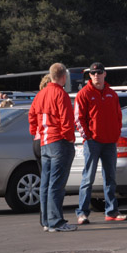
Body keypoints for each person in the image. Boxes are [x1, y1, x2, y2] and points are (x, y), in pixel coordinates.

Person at [74, 62, 127, 224]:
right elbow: (78, 118)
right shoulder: (83, 94)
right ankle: (82, 213)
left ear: (105, 74)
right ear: (89, 75)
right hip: (93, 142)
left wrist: (116, 134)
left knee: (110, 178)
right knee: (87, 178)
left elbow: (119, 116)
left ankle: (111, 211)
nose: (96, 75)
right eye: (93, 73)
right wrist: (88, 136)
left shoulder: (112, 93)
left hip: (110, 142)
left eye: (99, 72)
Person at [28, 63, 76, 232]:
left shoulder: (41, 94)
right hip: (58, 142)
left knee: (46, 183)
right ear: (63, 77)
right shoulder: (60, 94)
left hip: (45, 142)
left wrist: (36, 131)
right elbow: (67, 120)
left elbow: (32, 115)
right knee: (56, 184)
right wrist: (70, 139)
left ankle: (47, 220)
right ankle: (56, 221)